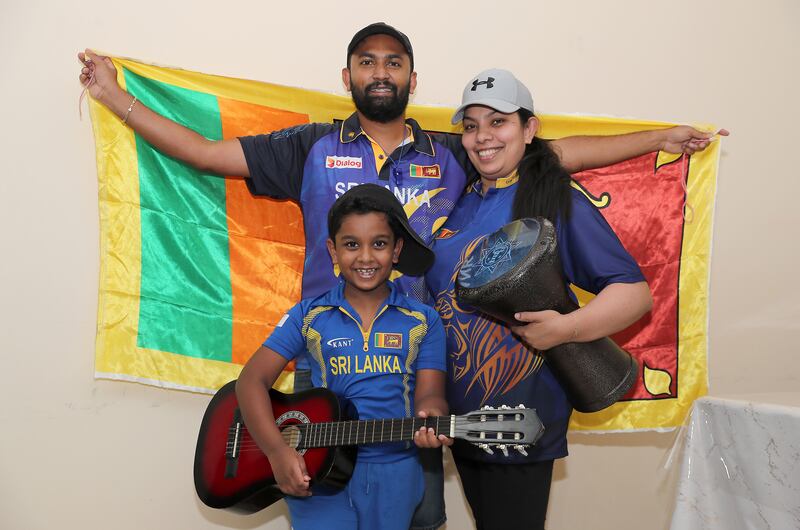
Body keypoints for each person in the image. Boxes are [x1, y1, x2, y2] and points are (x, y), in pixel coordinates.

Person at [78, 23, 723, 530]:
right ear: (348, 75)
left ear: (413, 79)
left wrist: (655, 139)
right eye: (367, 62)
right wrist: (115, 98)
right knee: (325, 504)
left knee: (411, 514)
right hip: (325, 361)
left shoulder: (454, 149)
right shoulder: (308, 146)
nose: (380, 72)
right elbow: (206, 153)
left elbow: (550, 154)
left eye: (393, 63)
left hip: (426, 365)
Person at [420, 69, 656, 530]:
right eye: (471, 126)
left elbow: (634, 293)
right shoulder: (458, 202)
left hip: (519, 420)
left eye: (498, 122)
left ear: (529, 130)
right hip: (462, 421)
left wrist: (567, 329)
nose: (482, 137)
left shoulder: (552, 199)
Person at [235, 184, 448, 530]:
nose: (365, 257)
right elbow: (251, 381)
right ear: (333, 251)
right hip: (318, 470)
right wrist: (276, 450)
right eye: (351, 244)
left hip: (396, 471)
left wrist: (434, 416)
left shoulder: (424, 320)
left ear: (397, 250)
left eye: (379, 244)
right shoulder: (309, 315)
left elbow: (430, 394)